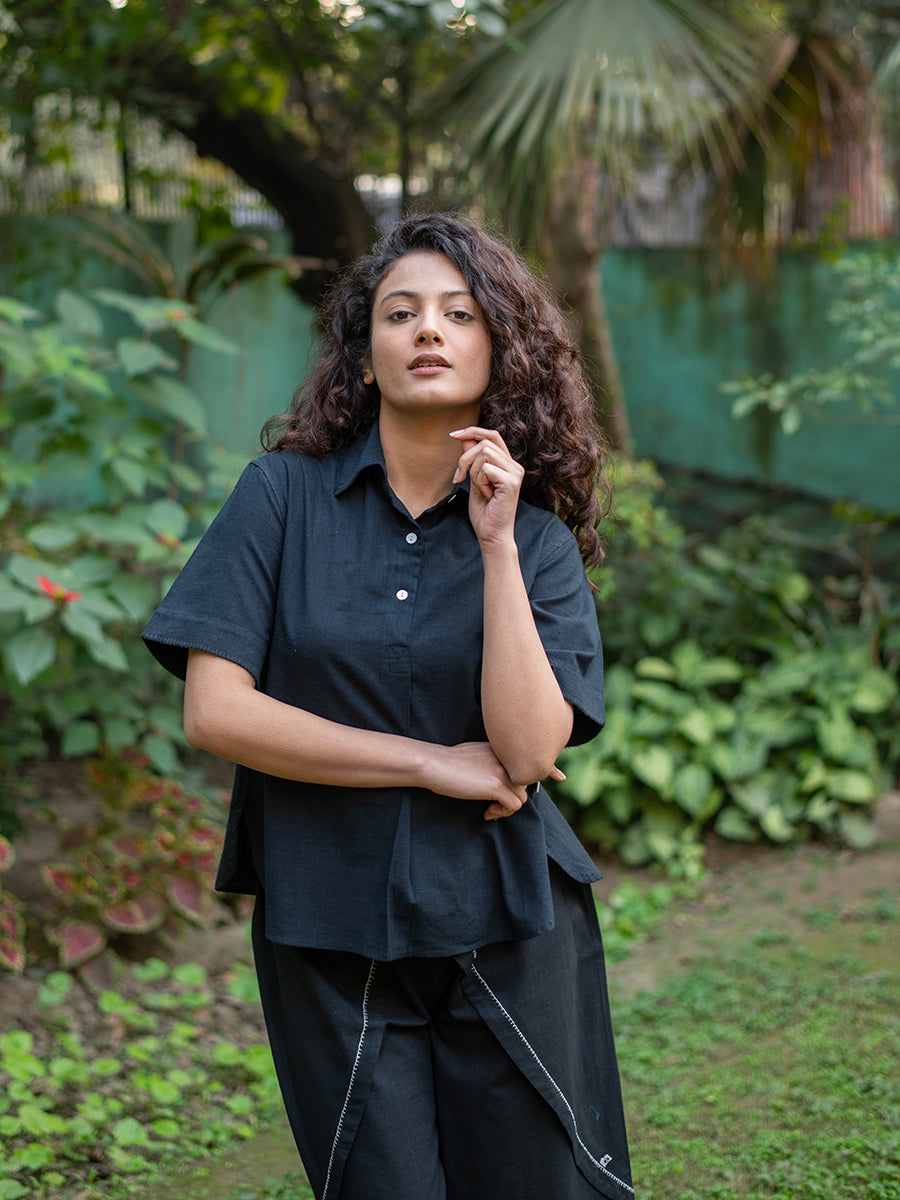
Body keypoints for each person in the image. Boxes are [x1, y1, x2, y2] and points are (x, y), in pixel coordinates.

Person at [142, 211, 633, 1200]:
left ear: (499, 351)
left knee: (538, 1183)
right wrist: (428, 762)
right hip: (327, 920)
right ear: (365, 357)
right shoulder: (278, 499)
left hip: (506, 918)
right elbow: (217, 713)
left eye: (460, 313)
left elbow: (527, 751)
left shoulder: (535, 541)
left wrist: (495, 545)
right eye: (400, 313)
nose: (428, 330)